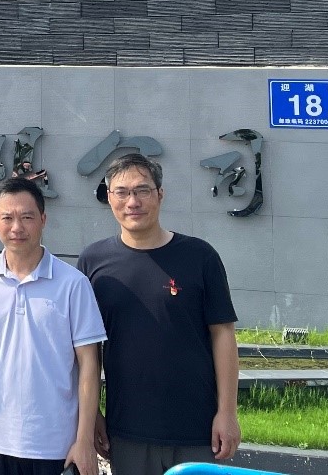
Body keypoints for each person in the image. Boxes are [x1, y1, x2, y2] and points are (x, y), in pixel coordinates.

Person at [77, 154, 241, 475]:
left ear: (160, 194)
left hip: (198, 429)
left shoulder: (200, 256)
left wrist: (227, 412)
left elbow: (223, 335)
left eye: (143, 190)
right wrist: (91, 414)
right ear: (109, 197)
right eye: (122, 192)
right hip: (127, 430)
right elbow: (87, 350)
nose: (132, 202)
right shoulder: (93, 262)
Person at [0, 177, 106, 475]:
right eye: (7, 218)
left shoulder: (73, 284)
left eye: (27, 217)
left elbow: (89, 363)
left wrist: (83, 439)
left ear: (43, 220)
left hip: (58, 443)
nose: (17, 227)